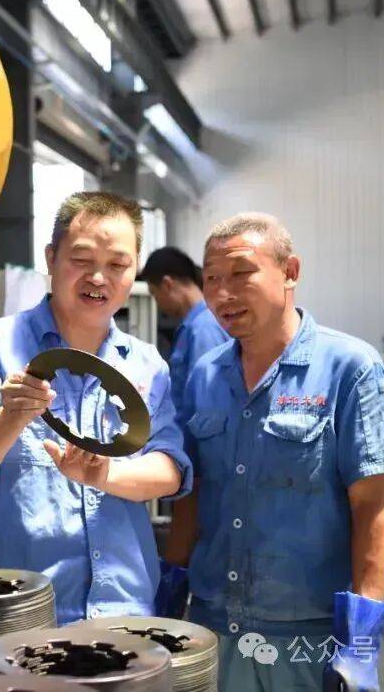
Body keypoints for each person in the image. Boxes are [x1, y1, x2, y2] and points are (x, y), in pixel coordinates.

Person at [0, 191, 193, 624]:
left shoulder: (147, 364)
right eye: (82, 259)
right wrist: (10, 418)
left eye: (118, 264)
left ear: (134, 271)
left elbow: (170, 470)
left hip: (125, 611)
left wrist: (105, 475)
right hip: (22, 612)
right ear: (51, 259)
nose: (99, 277)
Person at [177, 213, 384, 692]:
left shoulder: (350, 370)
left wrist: (360, 641)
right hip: (215, 631)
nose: (223, 293)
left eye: (241, 273)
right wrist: (171, 591)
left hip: (308, 639)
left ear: (290, 272)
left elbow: (373, 507)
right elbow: (193, 496)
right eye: (212, 279)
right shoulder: (205, 376)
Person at [137, 247, 229, 591]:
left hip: (199, 457)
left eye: (155, 294)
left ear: (168, 284)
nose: (159, 304)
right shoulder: (197, 325)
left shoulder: (203, 328)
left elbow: (208, 404)